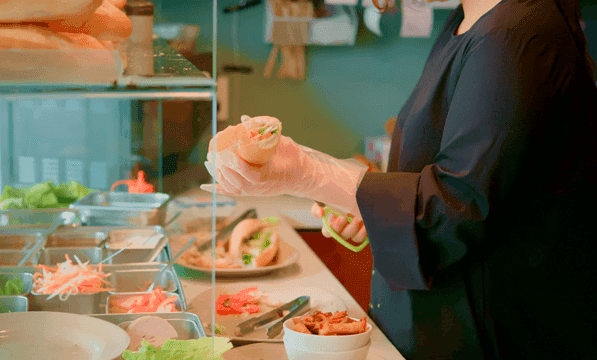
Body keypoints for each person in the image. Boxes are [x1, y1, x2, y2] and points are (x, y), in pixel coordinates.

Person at [203, 0, 597, 358]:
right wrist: (364, 203)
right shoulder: (465, 22)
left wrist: (310, 175)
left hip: (490, 334)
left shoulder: (517, 34)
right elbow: (444, 173)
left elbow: (457, 205)